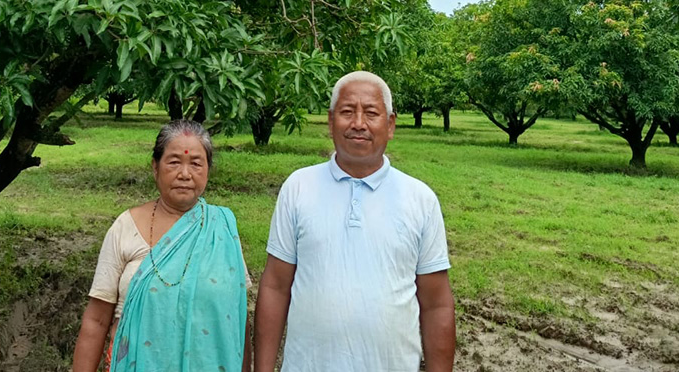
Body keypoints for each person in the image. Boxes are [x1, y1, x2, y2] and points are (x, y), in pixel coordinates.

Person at [254, 70, 455, 372]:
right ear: (330, 120)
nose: (358, 123)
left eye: (371, 113)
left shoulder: (420, 199)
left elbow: (437, 304)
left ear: (390, 125)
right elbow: (275, 287)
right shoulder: (298, 187)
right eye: (347, 112)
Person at [71, 119, 251, 372]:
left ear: (208, 169)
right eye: (174, 162)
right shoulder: (125, 227)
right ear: (155, 167)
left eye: (196, 163)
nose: (185, 174)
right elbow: (97, 320)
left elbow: (236, 320)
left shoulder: (222, 228)